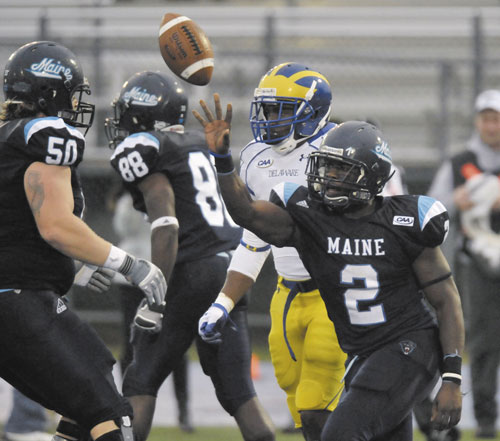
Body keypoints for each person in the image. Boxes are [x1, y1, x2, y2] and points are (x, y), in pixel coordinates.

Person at [195, 95, 465, 440]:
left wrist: (452, 378)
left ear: (372, 174)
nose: (328, 176)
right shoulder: (311, 218)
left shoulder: (404, 220)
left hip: (409, 346)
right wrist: (222, 161)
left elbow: (446, 300)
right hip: (361, 352)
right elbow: (246, 214)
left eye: (341, 169)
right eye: (326, 166)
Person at [0, 40, 167, 441]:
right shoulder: (46, 135)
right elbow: (55, 225)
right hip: (19, 299)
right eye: (72, 93)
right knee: (112, 416)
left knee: (84, 406)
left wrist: (72, 267)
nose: (76, 105)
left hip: (16, 294)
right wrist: (128, 263)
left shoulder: (9, 137)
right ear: (50, 91)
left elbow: (16, 223)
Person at [105, 70, 276, 441]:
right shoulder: (200, 142)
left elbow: (166, 223)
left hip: (192, 270)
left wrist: (155, 295)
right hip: (233, 269)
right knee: (239, 394)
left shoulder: (151, 149)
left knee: (139, 379)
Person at [198, 61, 345, 441]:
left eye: (280, 109)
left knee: (318, 407)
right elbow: (254, 236)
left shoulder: (337, 150)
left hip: (334, 291)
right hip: (286, 293)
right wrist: (223, 303)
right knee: (301, 408)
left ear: (311, 112)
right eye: (266, 108)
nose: (269, 119)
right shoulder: (252, 157)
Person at [428, 89, 500, 439]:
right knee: (484, 343)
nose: (491, 125)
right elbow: (432, 209)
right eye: (486, 118)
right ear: (477, 121)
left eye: (497, 118)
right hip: (478, 265)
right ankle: (485, 419)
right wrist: (453, 201)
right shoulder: (459, 163)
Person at [111, 191, 193, 433]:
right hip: (132, 279)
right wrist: (134, 199)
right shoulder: (129, 199)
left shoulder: (169, 193)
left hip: (165, 277)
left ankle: (184, 410)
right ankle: (125, 408)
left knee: (177, 345)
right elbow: (124, 228)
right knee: (131, 344)